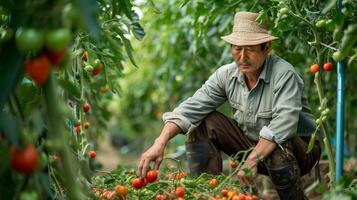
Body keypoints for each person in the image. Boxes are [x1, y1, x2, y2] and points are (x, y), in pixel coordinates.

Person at [137, 11, 321, 200]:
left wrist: (252, 159)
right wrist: (160, 142)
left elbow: (285, 124)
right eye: (237, 48)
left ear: (266, 47)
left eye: (250, 49)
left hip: (300, 150)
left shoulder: (283, 74)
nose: (242, 57)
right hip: (253, 144)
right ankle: (204, 192)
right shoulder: (226, 75)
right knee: (202, 121)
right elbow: (190, 109)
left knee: (278, 145)